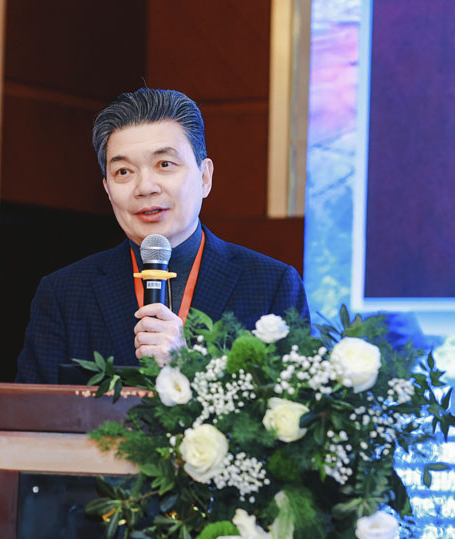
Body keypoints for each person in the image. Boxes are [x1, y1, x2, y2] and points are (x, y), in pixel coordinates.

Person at [15, 88, 309, 383]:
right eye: (123, 172)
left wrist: (187, 366)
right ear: (107, 190)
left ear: (205, 177)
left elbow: (294, 403)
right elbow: (31, 408)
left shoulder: (272, 285)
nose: (145, 187)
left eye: (164, 164)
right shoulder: (64, 294)